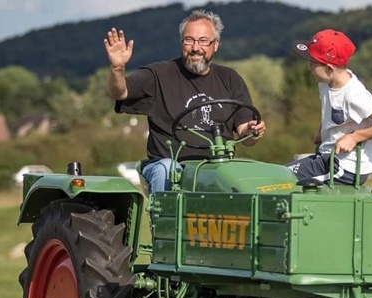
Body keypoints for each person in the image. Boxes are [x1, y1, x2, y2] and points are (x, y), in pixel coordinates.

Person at [103, 9, 266, 193]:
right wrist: (117, 68)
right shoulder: (159, 75)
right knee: (168, 169)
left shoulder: (230, 79)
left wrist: (252, 131)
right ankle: (166, 220)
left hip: (217, 167)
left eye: (204, 41)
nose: (196, 47)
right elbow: (119, 92)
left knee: (252, 176)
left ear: (216, 45)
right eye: (189, 40)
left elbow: (246, 135)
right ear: (182, 42)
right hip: (170, 166)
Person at [288, 29, 372, 185]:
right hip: (327, 158)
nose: (308, 67)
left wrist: (355, 137)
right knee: (280, 174)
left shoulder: (354, 95)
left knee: (283, 180)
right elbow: (337, 113)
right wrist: (323, 130)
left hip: (345, 168)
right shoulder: (326, 82)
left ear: (329, 69)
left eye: (312, 63)